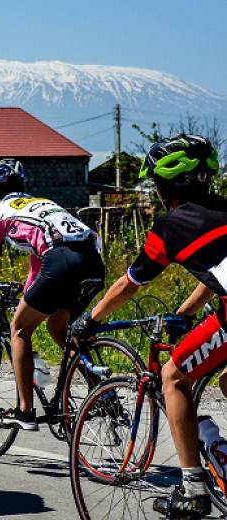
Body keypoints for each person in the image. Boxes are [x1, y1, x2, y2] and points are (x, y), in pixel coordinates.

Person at [70, 134, 222, 517]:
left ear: (166, 183)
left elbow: (128, 285)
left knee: (173, 376)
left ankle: (192, 488)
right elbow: (216, 273)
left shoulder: (170, 227)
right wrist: (186, 313)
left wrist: (90, 318)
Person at [0, 158, 104, 431]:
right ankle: (104, 393)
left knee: (19, 329)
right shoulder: (42, 204)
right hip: (93, 260)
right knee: (59, 329)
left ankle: (24, 411)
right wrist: (27, 297)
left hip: (61, 262)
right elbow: (39, 265)